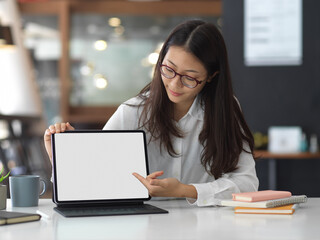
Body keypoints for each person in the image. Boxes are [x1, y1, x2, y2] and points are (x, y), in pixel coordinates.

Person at [44, 20, 259, 206]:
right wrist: (62, 159)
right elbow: (93, 182)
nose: (175, 83)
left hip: (207, 225)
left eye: (189, 78)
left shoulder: (225, 110)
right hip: (142, 224)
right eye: (169, 69)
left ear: (211, 76)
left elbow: (247, 182)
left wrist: (185, 190)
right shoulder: (132, 112)